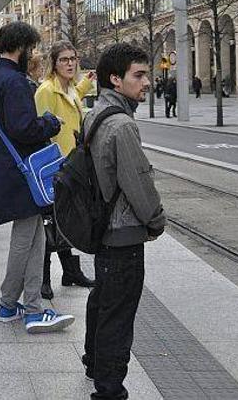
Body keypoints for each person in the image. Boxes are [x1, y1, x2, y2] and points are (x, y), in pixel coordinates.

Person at [0, 21, 74, 333]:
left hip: (0, 168)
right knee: (27, 238)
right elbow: (23, 128)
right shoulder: (14, 81)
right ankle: (27, 308)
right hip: (19, 172)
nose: (32, 53)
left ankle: (16, 304)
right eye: (30, 48)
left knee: (36, 236)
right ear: (21, 48)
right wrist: (50, 123)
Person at [83, 43, 166, 399]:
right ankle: (109, 388)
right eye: (139, 75)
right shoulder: (122, 126)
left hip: (103, 228)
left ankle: (94, 363)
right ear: (116, 79)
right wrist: (156, 220)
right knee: (119, 314)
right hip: (123, 234)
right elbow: (138, 184)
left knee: (102, 301)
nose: (146, 82)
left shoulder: (95, 113)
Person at [33, 41, 97, 300]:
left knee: (66, 218)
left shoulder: (68, 88)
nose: (70, 63)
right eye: (64, 60)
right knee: (50, 221)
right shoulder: (46, 90)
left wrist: (83, 85)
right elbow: (40, 126)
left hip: (72, 163)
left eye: (73, 59)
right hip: (55, 165)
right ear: (54, 63)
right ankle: (44, 278)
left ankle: (70, 272)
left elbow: (71, 101)